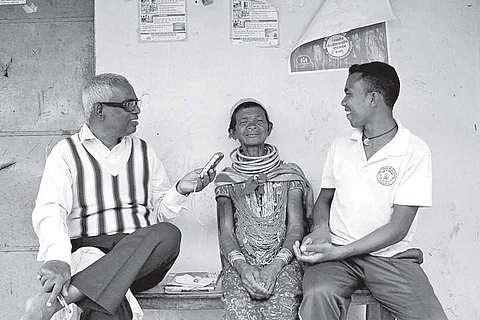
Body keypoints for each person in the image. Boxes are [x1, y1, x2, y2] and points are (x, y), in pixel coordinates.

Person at [21, 73, 216, 320]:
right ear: (99, 110)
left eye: (137, 103)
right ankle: (87, 290)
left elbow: (159, 213)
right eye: (128, 104)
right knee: (108, 310)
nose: (136, 111)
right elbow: (50, 211)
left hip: (139, 260)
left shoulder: (144, 150)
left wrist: (180, 190)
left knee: (168, 234)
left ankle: (65, 297)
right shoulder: (66, 153)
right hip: (88, 254)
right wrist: (58, 259)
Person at [293, 62, 448, 320]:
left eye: (349, 93)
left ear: (373, 98)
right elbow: (325, 200)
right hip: (337, 259)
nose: (343, 102)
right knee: (318, 294)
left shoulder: (413, 150)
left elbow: (398, 228)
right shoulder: (340, 146)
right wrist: (321, 229)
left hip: (390, 258)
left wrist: (342, 250)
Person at [214, 98, 313, 320]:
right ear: (232, 132)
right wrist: (243, 268)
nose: (252, 125)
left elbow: (297, 227)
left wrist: (276, 266)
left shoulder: (290, 175)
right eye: (244, 122)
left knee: (283, 308)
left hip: (285, 260)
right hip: (240, 263)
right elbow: (226, 233)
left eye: (259, 120)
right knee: (238, 309)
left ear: (269, 128)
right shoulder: (226, 180)